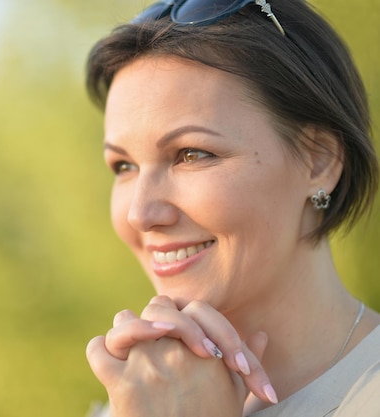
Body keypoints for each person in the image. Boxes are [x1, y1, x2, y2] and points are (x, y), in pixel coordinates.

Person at [83, 0, 380, 416]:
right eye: (125, 165)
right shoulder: (135, 405)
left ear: (319, 161)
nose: (140, 213)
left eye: (191, 154)